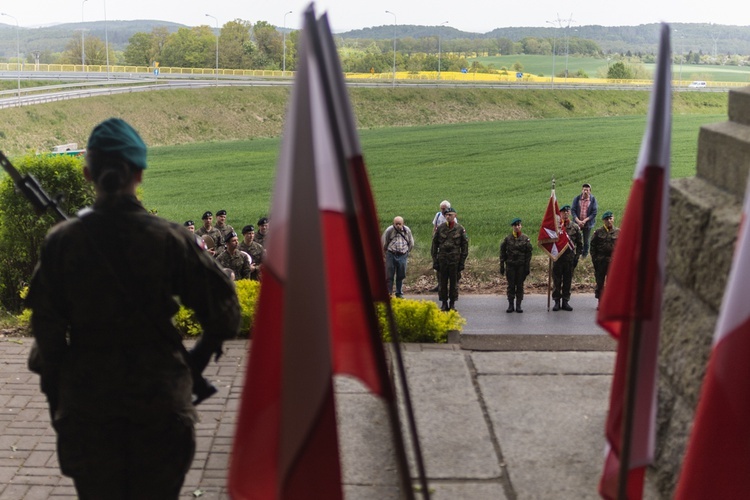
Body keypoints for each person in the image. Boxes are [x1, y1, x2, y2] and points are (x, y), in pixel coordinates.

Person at [25, 118, 241, 499]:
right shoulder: (169, 239)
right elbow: (225, 312)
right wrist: (193, 367)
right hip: (162, 408)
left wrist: (61, 399)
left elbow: (47, 338)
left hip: (88, 412)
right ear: (139, 173)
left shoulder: (61, 242)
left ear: (88, 171)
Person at [431, 207, 468, 311]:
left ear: (455, 216)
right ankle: (443, 303)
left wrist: (462, 262)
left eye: (450, 215)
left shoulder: (460, 229)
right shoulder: (440, 228)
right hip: (442, 260)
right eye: (446, 215)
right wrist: (435, 260)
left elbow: (465, 247)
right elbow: (434, 245)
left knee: (454, 283)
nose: (448, 216)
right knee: (442, 283)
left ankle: (452, 303)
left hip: (454, 261)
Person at [552, 205, 583, 311]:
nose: (565, 213)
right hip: (557, 258)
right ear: (560, 214)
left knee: (567, 281)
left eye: (567, 212)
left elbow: (580, 244)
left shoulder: (574, 227)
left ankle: (565, 301)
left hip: (569, 259)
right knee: (556, 281)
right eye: (563, 212)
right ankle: (556, 301)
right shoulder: (556, 227)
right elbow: (550, 241)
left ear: (569, 213)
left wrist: (577, 257)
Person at [500, 218, 533, 313]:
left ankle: (518, 305)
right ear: (513, 227)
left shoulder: (525, 238)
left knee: (519, 286)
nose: (517, 227)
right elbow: (502, 252)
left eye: (519, 225)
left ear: (521, 226)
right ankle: (510, 305)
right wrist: (502, 265)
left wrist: (527, 266)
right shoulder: (507, 238)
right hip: (510, 266)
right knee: (511, 286)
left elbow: (528, 254)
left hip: (521, 266)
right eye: (515, 225)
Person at [590, 211, 620, 304]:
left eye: (610, 218)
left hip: (613, 261)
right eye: (607, 219)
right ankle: (600, 301)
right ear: (603, 220)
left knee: (612, 283)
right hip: (601, 261)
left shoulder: (618, 232)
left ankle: (611, 303)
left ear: (613, 219)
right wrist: (595, 259)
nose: (609, 221)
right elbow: (592, 246)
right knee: (600, 283)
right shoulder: (598, 232)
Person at [381, 216, 414, 298]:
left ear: (403, 223)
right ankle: (389, 293)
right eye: (396, 224)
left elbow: (411, 242)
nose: (398, 225)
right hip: (391, 254)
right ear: (393, 224)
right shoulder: (389, 230)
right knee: (389, 275)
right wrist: (385, 253)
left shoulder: (407, 230)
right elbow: (384, 242)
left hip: (403, 254)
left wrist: (406, 252)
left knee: (401, 275)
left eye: (399, 224)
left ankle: (399, 293)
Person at [430, 200, 455, 292]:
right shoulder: (438, 215)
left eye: (444, 208)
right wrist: (434, 237)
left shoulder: (452, 217)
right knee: (439, 266)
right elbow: (435, 227)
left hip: (448, 245)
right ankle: (440, 284)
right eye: (441, 208)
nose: (442, 210)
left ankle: (452, 286)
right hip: (439, 243)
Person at [571, 183, 598, 258]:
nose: (585, 191)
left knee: (586, 240)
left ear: (590, 191)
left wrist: (585, 221)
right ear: (582, 190)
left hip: (587, 223)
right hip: (577, 223)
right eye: (584, 189)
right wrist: (578, 221)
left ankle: (584, 255)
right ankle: (575, 254)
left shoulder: (593, 200)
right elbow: (573, 210)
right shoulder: (577, 199)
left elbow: (594, 212)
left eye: (587, 190)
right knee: (575, 239)